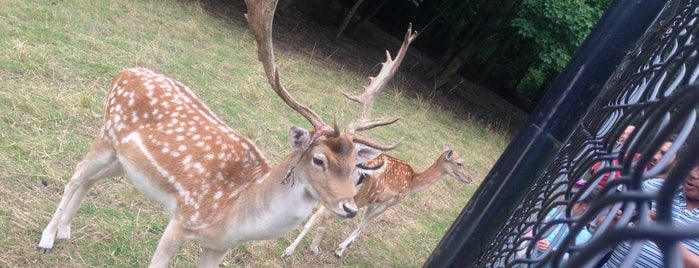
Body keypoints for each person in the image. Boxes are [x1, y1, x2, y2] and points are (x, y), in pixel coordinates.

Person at [600, 162, 699, 267]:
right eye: (695, 166)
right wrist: (614, 223)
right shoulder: (655, 187)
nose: (693, 174)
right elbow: (601, 229)